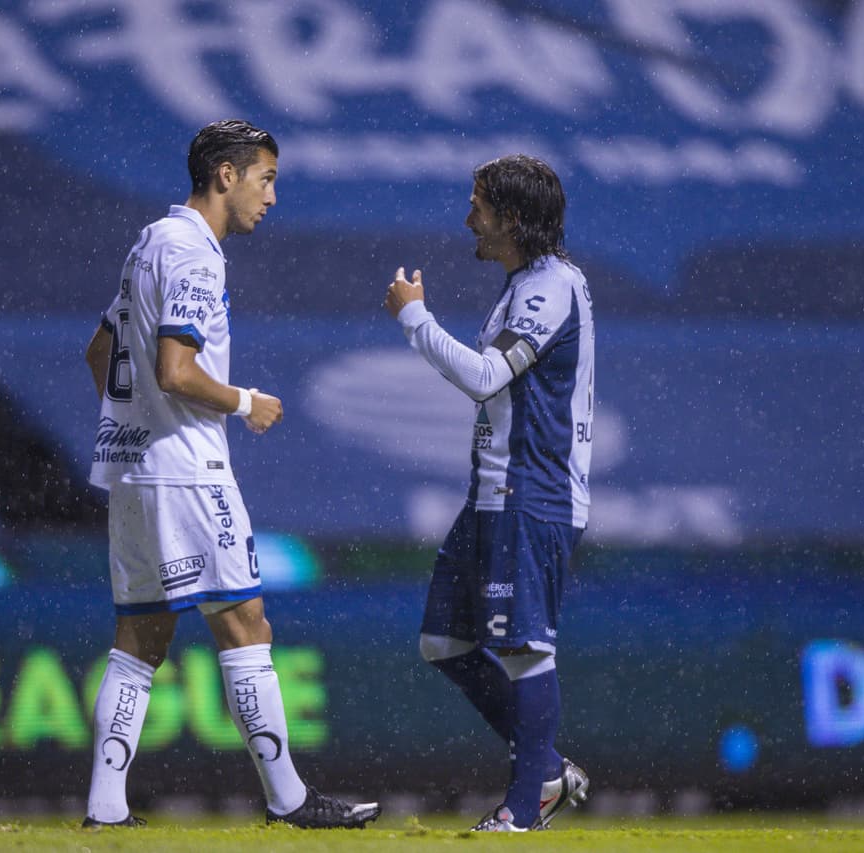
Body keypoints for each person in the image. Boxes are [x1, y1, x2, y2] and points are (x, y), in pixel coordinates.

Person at [82, 119, 380, 830]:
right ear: (226, 175)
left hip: (130, 468)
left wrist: (141, 427)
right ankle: (290, 799)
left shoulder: (149, 242)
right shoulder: (196, 255)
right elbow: (177, 370)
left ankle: (105, 808)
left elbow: (99, 351)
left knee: (140, 639)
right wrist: (247, 402)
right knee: (246, 623)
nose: (271, 197)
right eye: (266, 179)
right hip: (188, 471)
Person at [383, 154, 594, 832]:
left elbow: (484, 376)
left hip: (532, 494)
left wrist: (416, 320)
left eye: (478, 204)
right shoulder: (525, 282)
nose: (466, 216)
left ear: (513, 218)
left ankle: (522, 809)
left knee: (525, 648)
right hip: (494, 493)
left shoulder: (548, 287)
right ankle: (548, 770)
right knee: (443, 640)